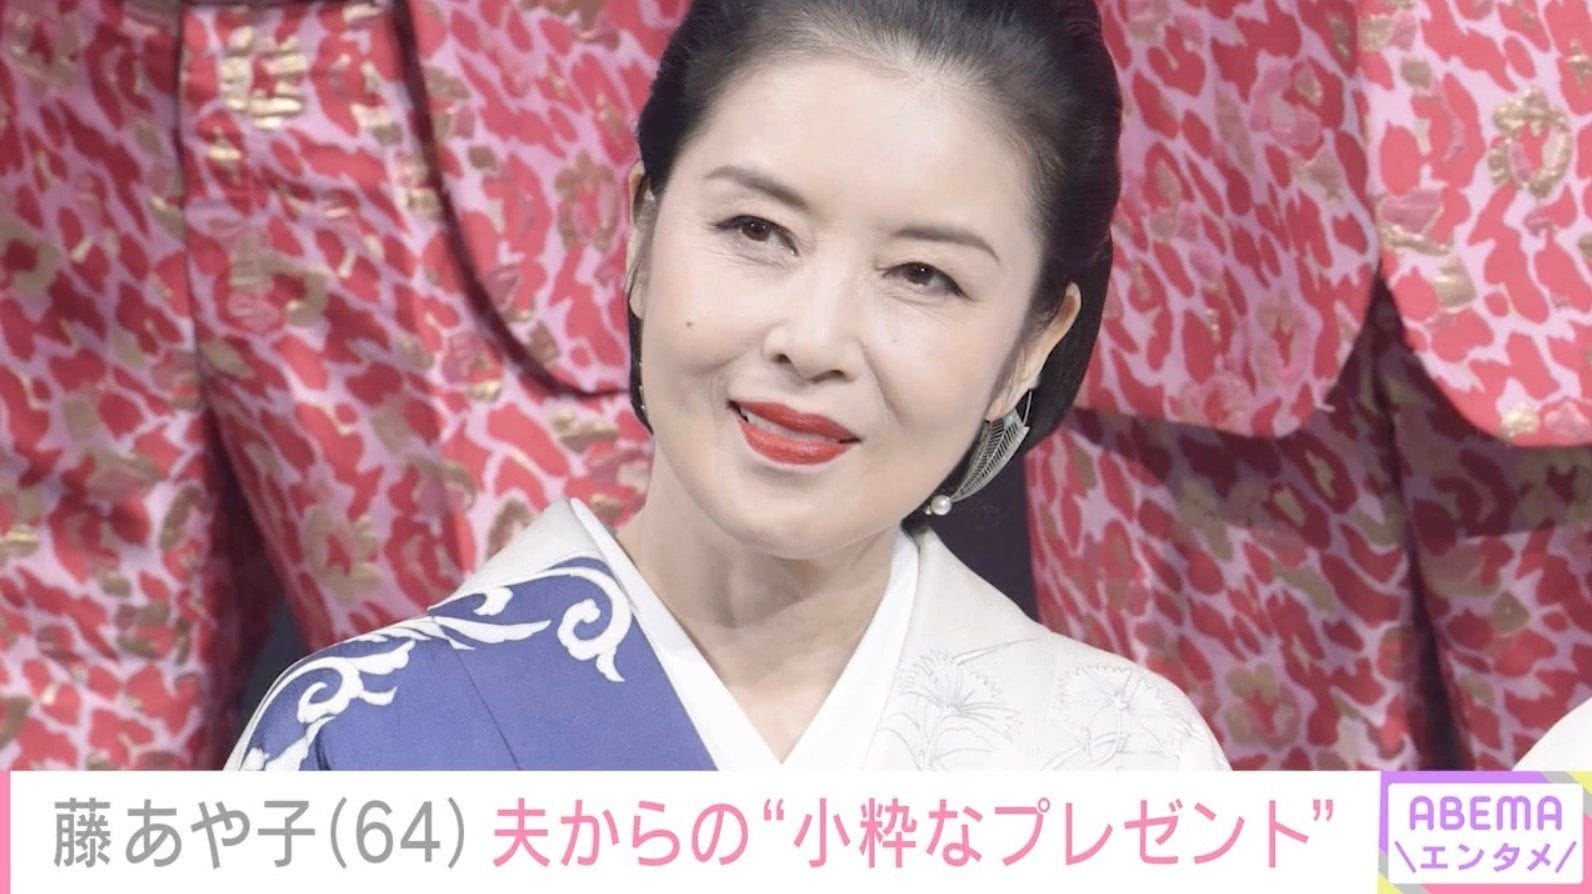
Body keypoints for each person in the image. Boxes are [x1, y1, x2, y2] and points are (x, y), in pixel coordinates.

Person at [227, 0, 1228, 772]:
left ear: (1033, 344)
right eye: (757, 230)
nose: (813, 341)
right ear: (640, 233)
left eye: (924, 275)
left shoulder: (1127, 762)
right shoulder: (361, 739)